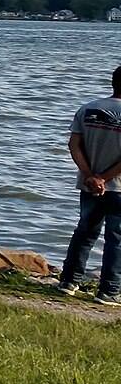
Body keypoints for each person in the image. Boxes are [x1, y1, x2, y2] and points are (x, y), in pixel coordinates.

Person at [58, 66, 121, 305]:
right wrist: (104, 178)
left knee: (85, 232)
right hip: (118, 187)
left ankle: (69, 281)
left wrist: (90, 176)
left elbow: (73, 145)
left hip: (88, 185)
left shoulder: (88, 109)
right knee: (117, 239)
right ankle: (109, 291)